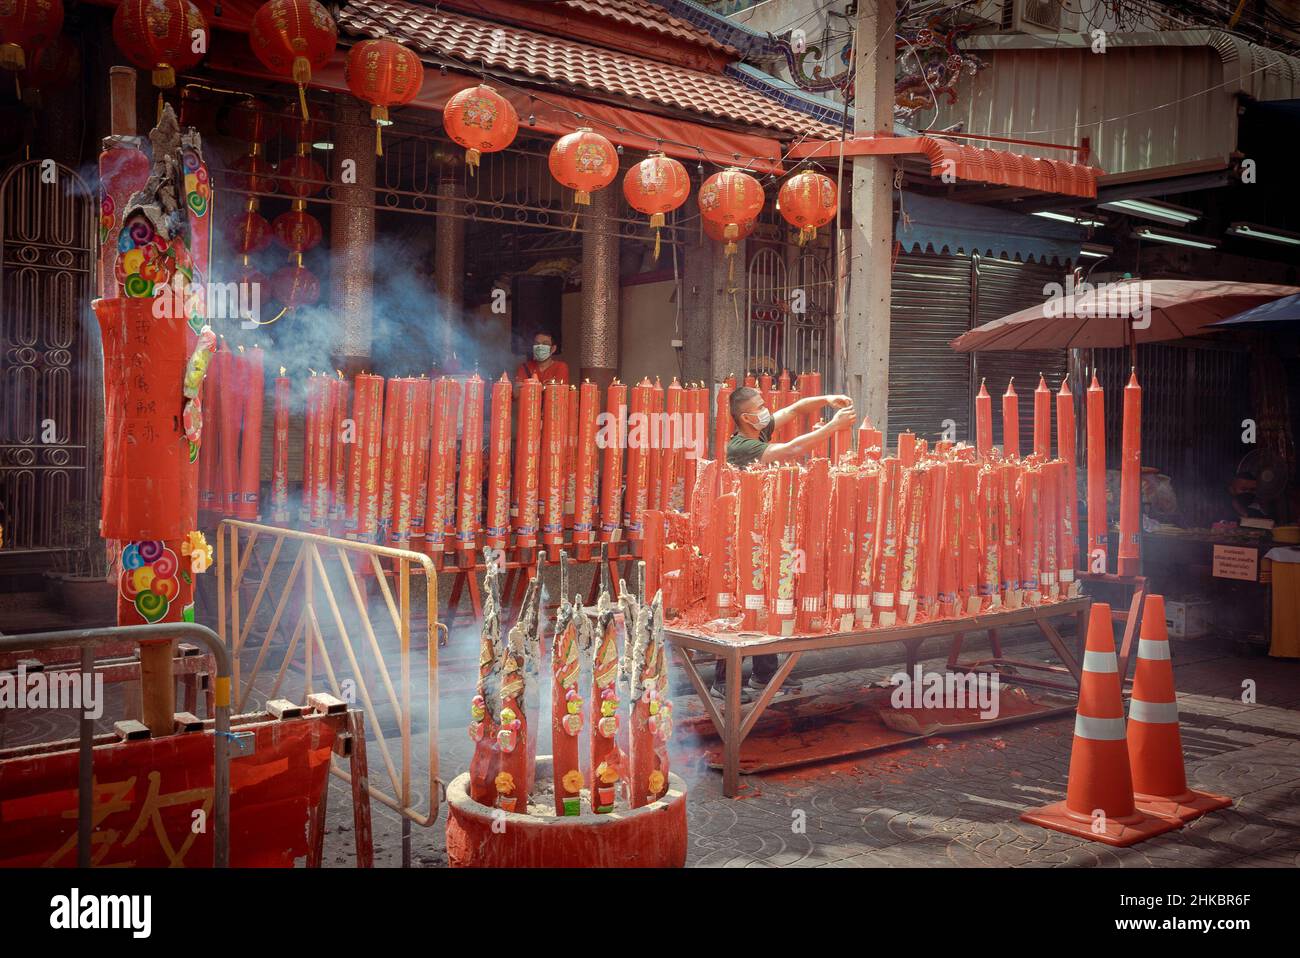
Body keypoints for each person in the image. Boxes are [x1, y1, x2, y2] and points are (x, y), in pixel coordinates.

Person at [712, 385, 856, 703]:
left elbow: (795, 409)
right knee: (742, 602)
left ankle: (764, 675)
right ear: (745, 416)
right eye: (759, 406)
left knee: (769, 598)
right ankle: (722, 681)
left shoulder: (759, 430)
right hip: (741, 536)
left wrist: (826, 400)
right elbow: (790, 451)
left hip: (766, 532)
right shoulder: (741, 446)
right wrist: (833, 428)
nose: (766, 410)